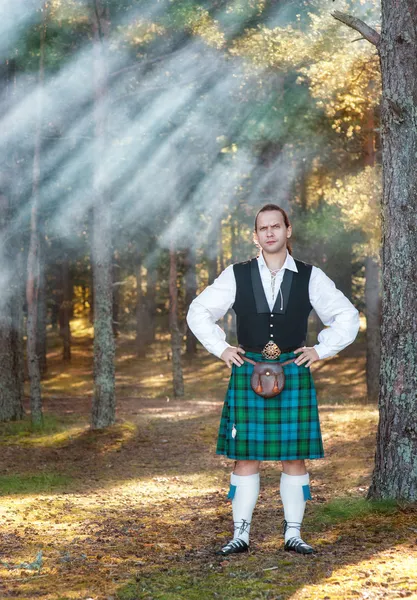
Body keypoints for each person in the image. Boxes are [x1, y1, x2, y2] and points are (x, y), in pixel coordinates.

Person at [186, 204, 360, 556]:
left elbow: (347, 315)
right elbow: (198, 311)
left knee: (294, 456)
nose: (269, 233)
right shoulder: (236, 274)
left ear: (287, 230)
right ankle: (241, 534)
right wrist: (221, 349)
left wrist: (320, 350)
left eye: (275, 227)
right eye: (263, 228)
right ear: (255, 235)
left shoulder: (310, 276)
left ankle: (293, 534)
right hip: (248, 367)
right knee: (245, 456)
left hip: (293, 369)